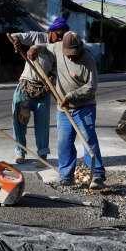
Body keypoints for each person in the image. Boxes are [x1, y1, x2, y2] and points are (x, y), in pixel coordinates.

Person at [28, 31, 106, 189]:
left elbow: (91, 87)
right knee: (64, 143)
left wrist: (71, 96)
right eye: (68, 54)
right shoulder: (58, 47)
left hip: (84, 106)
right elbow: (44, 47)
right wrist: (34, 48)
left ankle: (97, 174)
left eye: (74, 54)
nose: (70, 57)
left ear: (81, 47)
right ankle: (66, 176)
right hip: (63, 108)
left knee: (88, 140)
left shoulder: (88, 61)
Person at [9, 17, 70, 164]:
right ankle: (20, 152)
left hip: (43, 89)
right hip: (25, 87)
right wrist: (16, 41)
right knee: (20, 120)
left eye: (63, 37)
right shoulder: (37, 36)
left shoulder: (59, 48)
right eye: (59, 35)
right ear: (51, 31)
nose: (60, 39)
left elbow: (56, 67)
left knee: (42, 124)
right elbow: (15, 36)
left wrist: (51, 77)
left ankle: (42, 155)